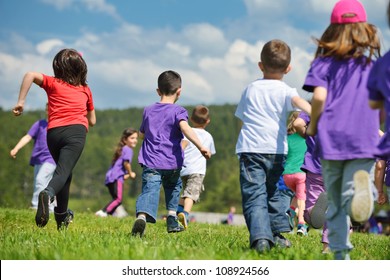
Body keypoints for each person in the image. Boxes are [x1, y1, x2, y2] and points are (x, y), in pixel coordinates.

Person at [304, 0, 380, 260]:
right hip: (365, 139)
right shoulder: (371, 66)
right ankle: (364, 192)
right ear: (364, 30)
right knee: (355, 190)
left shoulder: (322, 64)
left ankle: (339, 256)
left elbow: (320, 98)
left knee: (335, 203)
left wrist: (313, 124)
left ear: (332, 31)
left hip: (331, 141)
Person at [235, 39, 311, 254]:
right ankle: (275, 234)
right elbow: (302, 104)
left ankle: (261, 238)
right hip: (277, 152)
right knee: (272, 193)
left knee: (254, 195)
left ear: (260, 65)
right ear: (288, 68)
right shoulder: (286, 90)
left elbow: (242, 119)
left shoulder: (249, 89)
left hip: (251, 149)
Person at [12, 48, 96, 230]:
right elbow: (93, 120)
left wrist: (21, 102)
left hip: (53, 133)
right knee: (62, 173)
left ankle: (61, 218)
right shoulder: (85, 89)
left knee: (64, 173)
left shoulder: (52, 83)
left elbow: (29, 75)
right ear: (82, 68)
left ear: (58, 66)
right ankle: (48, 193)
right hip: (75, 132)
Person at [131, 70, 211, 237]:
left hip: (151, 161)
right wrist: (200, 146)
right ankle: (172, 218)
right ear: (179, 91)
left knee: (149, 190)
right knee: (173, 188)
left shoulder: (148, 110)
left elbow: (142, 134)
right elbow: (185, 128)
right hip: (172, 162)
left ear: (158, 91)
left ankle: (142, 217)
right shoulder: (178, 111)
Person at [293, 111, 329, 253]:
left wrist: (307, 135)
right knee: (335, 210)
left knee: (309, 213)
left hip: (315, 169)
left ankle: (312, 213)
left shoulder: (312, 108)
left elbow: (297, 123)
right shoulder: (342, 107)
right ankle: (327, 247)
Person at [10, 104, 56, 212]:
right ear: (46, 110)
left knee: (40, 180)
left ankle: (36, 206)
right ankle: (52, 208)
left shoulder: (57, 126)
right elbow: (28, 137)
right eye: (48, 109)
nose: (50, 111)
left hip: (51, 159)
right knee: (44, 183)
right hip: (38, 159)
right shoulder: (39, 124)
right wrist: (16, 148)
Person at [176, 105, 216, 229]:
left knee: (186, 192)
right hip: (197, 171)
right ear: (208, 121)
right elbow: (210, 153)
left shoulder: (188, 133)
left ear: (191, 120)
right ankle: (185, 214)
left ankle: (177, 212)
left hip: (183, 169)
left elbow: (181, 147)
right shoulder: (208, 136)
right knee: (191, 195)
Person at [95, 128, 138, 217]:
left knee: (116, 199)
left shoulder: (122, 149)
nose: (135, 140)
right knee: (118, 199)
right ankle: (103, 212)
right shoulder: (128, 149)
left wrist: (126, 176)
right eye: (132, 138)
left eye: (136, 138)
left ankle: (108, 215)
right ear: (125, 140)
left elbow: (119, 168)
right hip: (116, 177)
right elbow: (126, 163)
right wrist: (131, 173)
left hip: (110, 177)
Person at [283, 111, 308, 236]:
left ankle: (291, 212)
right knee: (302, 199)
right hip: (301, 174)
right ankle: (302, 225)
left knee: (298, 195)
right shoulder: (307, 138)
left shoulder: (287, 138)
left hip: (287, 175)